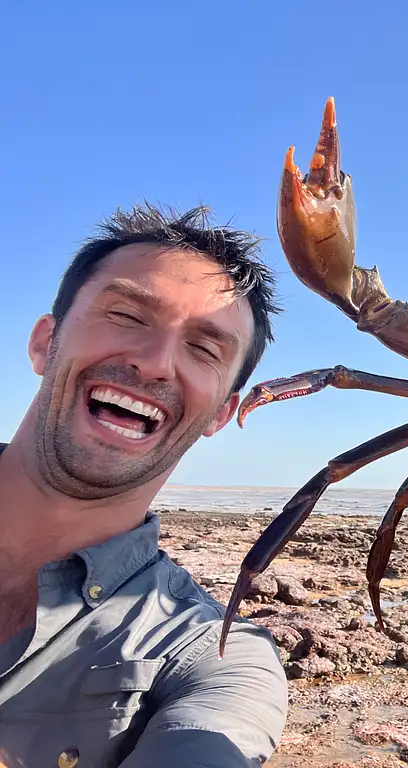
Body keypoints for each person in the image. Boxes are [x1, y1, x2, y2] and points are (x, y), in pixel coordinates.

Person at [0, 205, 289, 767]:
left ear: (220, 414)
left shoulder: (212, 658)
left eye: (205, 349)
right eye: (128, 315)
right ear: (43, 342)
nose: (156, 363)